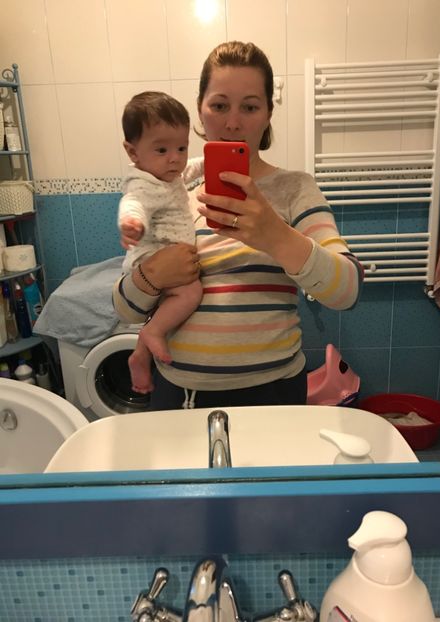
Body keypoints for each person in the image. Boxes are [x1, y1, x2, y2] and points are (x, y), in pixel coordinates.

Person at [113, 41, 363, 410]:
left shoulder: (295, 189)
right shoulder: (173, 189)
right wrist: (152, 275)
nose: (232, 123)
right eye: (219, 106)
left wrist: (276, 236)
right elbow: (125, 310)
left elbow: (347, 291)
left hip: (274, 395)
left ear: (267, 114)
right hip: (180, 396)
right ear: (200, 109)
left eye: (249, 107)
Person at [118, 91, 203, 393]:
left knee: (167, 306)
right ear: (133, 152)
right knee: (190, 293)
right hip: (154, 257)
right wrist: (132, 222)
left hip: (166, 258)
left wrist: (211, 160)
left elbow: (189, 169)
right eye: (162, 149)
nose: (175, 158)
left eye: (182, 147)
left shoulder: (169, 175)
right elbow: (133, 202)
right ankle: (152, 332)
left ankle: (140, 355)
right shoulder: (144, 183)